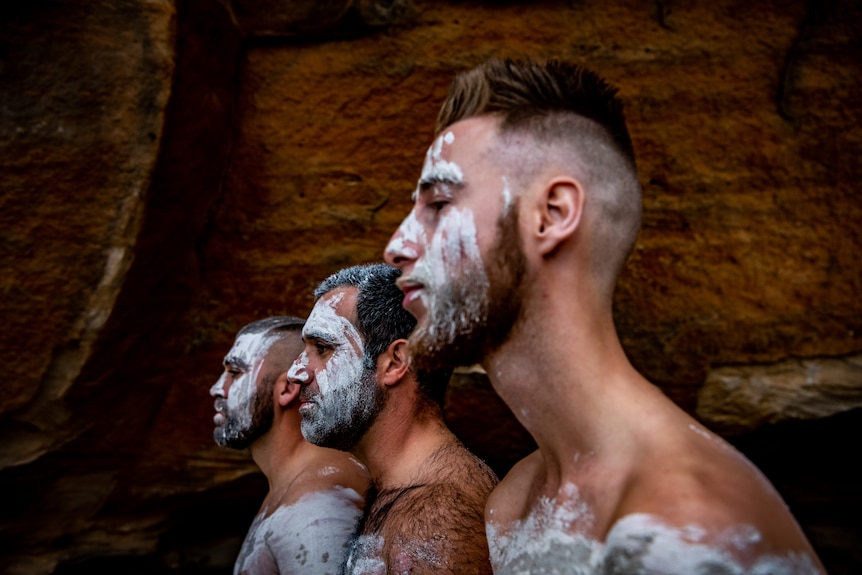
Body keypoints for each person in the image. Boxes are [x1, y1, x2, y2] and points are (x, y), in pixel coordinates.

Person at [383, 58, 825, 574]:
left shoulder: (687, 528)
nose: (396, 246)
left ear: (551, 215)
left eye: (438, 203)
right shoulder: (514, 504)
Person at [287, 263, 498, 575]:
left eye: (322, 348)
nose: (295, 372)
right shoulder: (401, 489)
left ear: (395, 362)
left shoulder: (436, 516)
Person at [210, 316, 370, 575]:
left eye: (235, 373)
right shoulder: (295, 484)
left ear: (286, 390)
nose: (217, 389)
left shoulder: (317, 507)